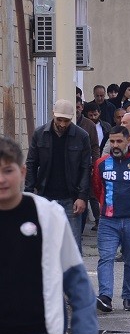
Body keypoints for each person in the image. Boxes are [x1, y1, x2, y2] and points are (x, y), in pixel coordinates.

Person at [0, 135, 97, 334]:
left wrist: (85, 330)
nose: (1, 179)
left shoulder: (49, 216)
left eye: (7, 170)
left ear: (22, 172)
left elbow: (75, 277)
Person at [91, 126, 130, 314]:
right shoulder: (101, 163)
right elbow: (97, 188)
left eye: (119, 141)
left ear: (128, 141)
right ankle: (105, 297)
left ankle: (128, 297)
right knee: (106, 258)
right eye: (112, 141)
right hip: (108, 221)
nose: (115, 145)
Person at [24, 99, 93, 254]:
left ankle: (73, 278)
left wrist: (82, 196)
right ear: (53, 114)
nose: (62, 124)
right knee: (42, 243)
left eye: (66, 120)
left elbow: (85, 168)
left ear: (72, 118)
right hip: (44, 195)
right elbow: (31, 164)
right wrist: (28, 193)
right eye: (59, 119)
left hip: (71, 197)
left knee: (73, 247)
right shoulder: (40, 134)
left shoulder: (82, 136)